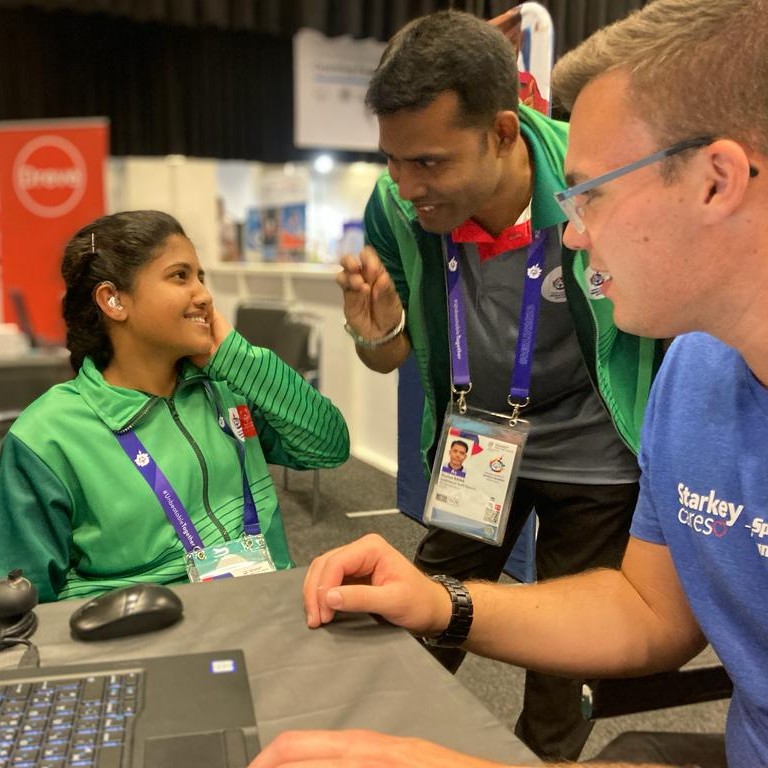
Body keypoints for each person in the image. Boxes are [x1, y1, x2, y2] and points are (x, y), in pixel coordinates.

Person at [249, 0, 767, 765]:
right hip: (479, 450)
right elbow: (646, 612)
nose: (575, 233)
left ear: (716, 181)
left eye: (590, 193)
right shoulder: (693, 381)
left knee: (561, 689)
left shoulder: (674, 376)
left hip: (589, 461)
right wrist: (441, 603)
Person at [335, 8, 664, 760]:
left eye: (428, 163)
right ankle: (368, 743)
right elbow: (387, 360)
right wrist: (376, 330)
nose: (404, 184)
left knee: (565, 655)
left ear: (505, 134)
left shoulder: (592, 187)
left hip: (594, 452)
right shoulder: (397, 209)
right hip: (477, 446)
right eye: (392, 159)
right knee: (419, 615)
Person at [0, 210, 350, 603]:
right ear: (113, 300)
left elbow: (328, 447)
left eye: (201, 277)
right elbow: (25, 607)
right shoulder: (46, 436)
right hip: (141, 636)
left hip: (266, 610)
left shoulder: (227, 388)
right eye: (180, 276)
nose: (204, 295)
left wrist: (238, 359)